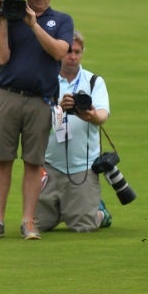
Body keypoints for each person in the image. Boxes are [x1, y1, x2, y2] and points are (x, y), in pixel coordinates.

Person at [0, 0, 74, 240]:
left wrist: (33, 24)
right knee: (2, 159)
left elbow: (59, 51)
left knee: (33, 162)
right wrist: (5, 19)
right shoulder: (12, 17)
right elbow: (0, 57)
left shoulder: (62, 20)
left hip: (40, 100)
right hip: (8, 95)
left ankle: (28, 221)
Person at [36, 30, 112, 232]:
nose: (73, 56)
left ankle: (100, 212)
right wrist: (59, 107)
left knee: (83, 227)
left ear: (82, 53)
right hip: (49, 165)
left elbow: (103, 115)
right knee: (37, 225)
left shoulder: (94, 81)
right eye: (68, 51)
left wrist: (90, 115)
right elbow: (35, 121)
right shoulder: (44, 80)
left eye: (77, 52)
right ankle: (69, 206)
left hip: (83, 167)